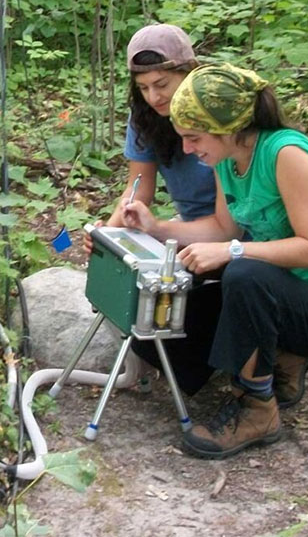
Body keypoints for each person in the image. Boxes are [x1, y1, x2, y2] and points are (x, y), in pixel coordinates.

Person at [118, 64, 308, 459]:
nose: (189, 150)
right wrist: (155, 226)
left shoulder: (286, 153)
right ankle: (281, 358)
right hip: (273, 290)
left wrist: (234, 252)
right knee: (158, 339)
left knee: (243, 272)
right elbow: (222, 229)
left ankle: (258, 406)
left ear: (228, 128)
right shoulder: (227, 160)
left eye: (194, 138)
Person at [83, 23, 222, 397]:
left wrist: (159, 228)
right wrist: (108, 237)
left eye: (162, 84)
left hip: (227, 233)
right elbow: (137, 190)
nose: (154, 97)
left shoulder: (219, 113)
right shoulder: (145, 119)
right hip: (189, 228)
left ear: (188, 73)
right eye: (143, 88)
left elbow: (230, 224)